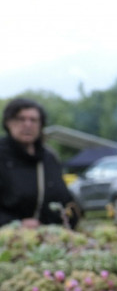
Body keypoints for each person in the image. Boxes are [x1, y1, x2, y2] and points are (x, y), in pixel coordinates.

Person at [0, 98, 79, 229]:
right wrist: (14, 223)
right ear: (8, 123)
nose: (27, 124)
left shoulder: (49, 157)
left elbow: (64, 199)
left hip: (50, 239)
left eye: (33, 120)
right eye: (21, 119)